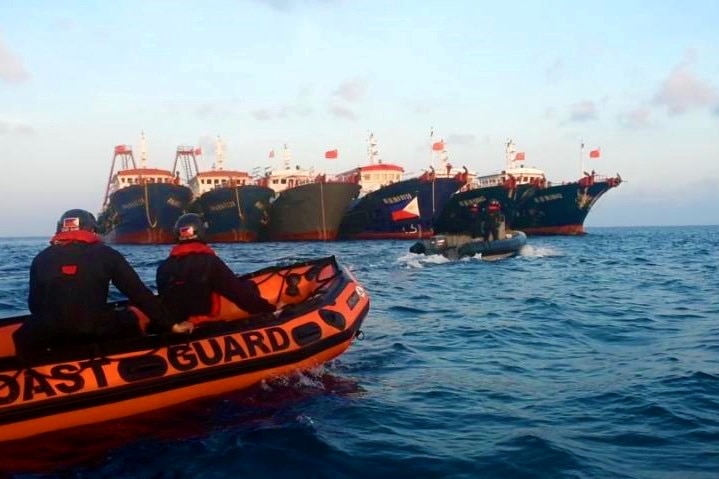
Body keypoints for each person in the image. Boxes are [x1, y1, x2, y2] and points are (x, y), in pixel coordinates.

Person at [14, 209, 190, 356]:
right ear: (92, 230)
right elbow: (138, 294)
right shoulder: (106, 254)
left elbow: (34, 305)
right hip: (94, 331)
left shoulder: (40, 258)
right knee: (129, 318)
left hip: (50, 334)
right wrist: (172, 324)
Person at [156, 213, 276, 327]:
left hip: (175, 327)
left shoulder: (163, 267)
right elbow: (240, 295)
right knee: (248, 286)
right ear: (202, 233)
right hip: (203, 327)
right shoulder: (210, 263)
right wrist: (271, 309)